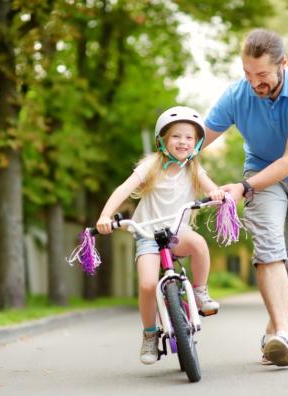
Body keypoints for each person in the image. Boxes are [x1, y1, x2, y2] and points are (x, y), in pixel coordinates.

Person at [204, 29, 288, 367]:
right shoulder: (237, 95)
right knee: (268, 247)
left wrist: (242, 189)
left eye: (262, 75)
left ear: (283, 64)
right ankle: (282, 335)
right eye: (247, 73)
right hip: (262, 174)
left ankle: (275, 330)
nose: (254, 83)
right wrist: (169, 151)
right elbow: (200, 136)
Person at [96, 106, 224, 365]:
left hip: (178, 232)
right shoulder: (151, 165)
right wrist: (105, 216)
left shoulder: (193, 169)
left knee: (199, 243)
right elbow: (123, 189)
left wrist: (218, 195)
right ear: (163, 140)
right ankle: (150, 334)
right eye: (176, 136)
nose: (183, 142)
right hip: (148, 234)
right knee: (146, 285)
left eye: (189, 137)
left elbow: (213, 190)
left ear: (197, 142)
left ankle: (200, 292)